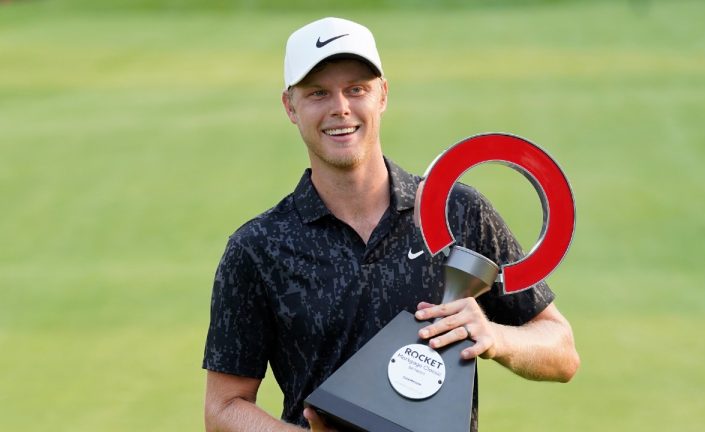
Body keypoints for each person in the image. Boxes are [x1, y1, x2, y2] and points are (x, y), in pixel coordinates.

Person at [203, 17, 579, 432]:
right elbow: (223, 408)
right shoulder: (258, 247)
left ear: (382, 94)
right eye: (317, 93)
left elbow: (561, 351)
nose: (340, 107)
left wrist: (495, 336)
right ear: (290, 107)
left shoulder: (458, 212)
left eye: (356, 89)